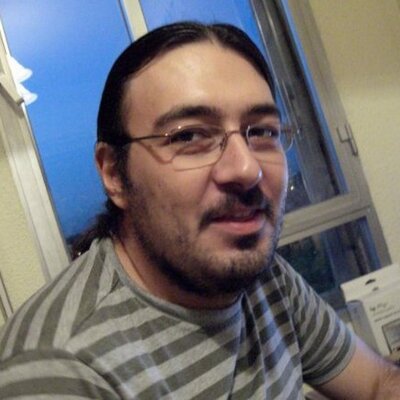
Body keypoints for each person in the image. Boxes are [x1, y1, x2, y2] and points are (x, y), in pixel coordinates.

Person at [0, 21, 399, 399]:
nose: (247, 169)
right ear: (114, 174)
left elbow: (379, 384)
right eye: (189, 136)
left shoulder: (262, 278)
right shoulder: (54, 370)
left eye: (262, 131)